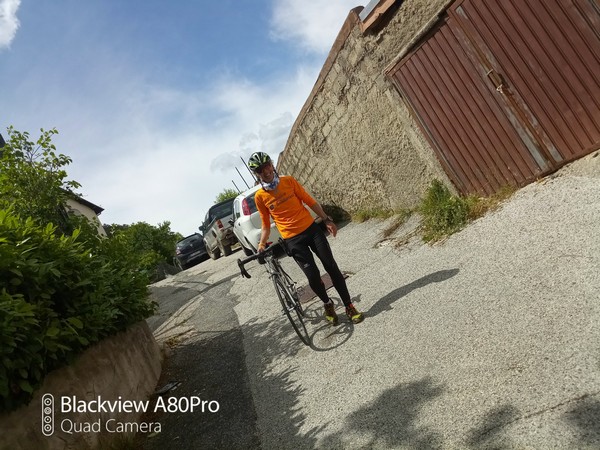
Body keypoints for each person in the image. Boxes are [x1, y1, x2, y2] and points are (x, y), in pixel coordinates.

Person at [248, 151, 364, 325]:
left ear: (272, 165)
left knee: (331, 266)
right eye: (260, 170)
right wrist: (262, 245)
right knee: (313, 277)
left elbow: (309, 201)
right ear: (256, 175)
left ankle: (349, 306)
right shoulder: (260, 197)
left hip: (311, 230)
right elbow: (265, 225)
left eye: (267, 166)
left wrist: (326, 219)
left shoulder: (288, 181)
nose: (266, 171)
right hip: (293, 240)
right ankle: (327, 303)